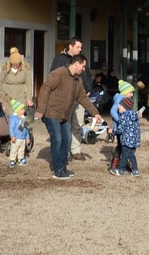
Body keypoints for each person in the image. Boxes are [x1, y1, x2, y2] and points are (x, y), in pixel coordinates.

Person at [36, 52, 103, 180]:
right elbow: (45, 88)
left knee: (67, 139)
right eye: (83, 67)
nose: (84, 69)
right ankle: (58, 170)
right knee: (57, 139)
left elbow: (83, 98)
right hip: (51, 113)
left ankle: (63, 167)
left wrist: (95, 113)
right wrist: (40, 110)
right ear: (76, 64)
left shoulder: (78, 80)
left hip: (64, 115)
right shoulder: (58, 73)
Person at [51, 38, 93, 158]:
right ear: (70, 46)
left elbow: (88, 76)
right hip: (65, 99)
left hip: (80, 98)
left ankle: (76, 151)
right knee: (65, 125)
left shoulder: (82, 60)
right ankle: (65, 151)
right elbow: (53, 77)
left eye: (81, 47)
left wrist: (88, 89)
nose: (80, 49)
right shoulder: (59, 59)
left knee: (78, 125)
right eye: (78, 47)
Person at [109, 82, 142, 177]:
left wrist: (121, 122)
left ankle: (120, 168)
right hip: (127, 134)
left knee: (123, 151)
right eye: (130, 92)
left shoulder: (125, 112)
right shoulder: (121, 100)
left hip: (124, 133)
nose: (132, 95)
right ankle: (133, 169)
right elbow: (113, 111)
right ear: (124, 92)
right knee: (128, 152)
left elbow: (123, 124)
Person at [0, 47, 34, 113]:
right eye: (13, 65)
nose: (15, 66)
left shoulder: (25, 69)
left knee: (20, 117)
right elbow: (0, 82)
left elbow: (29, 84)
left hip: (20, 97)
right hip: (7, 97)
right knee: (9, 117)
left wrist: (29, 98)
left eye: (17, 65)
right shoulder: (5, 68)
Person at [6, 98, 30, 167]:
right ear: (17, 111)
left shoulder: (23, 118)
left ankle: (20, 159)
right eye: (22, 109)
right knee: (14, 150)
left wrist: (27, 137)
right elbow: (11, 128)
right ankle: (12, 160)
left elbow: (26, 128)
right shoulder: (14, 119)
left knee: (21, 150)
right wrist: (12, 136)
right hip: (16, 138)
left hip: (22, 138)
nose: (24, 110)